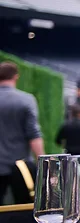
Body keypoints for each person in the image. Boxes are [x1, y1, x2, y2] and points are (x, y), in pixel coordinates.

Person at [0, 62, 44, 203]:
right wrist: (44, 165)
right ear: (16, 77)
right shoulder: (26, 100)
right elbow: (34, 135)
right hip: (20, 167)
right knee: (23, 210)